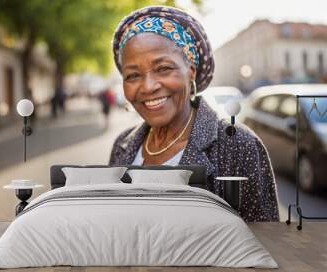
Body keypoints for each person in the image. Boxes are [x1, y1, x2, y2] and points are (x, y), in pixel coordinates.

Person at [108, 6, 279, 222]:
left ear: (191, 71)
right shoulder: (122, 145)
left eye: (163, 69)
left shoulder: (238, 144)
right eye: (133, 75)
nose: (148, 86)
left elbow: (264, 243)